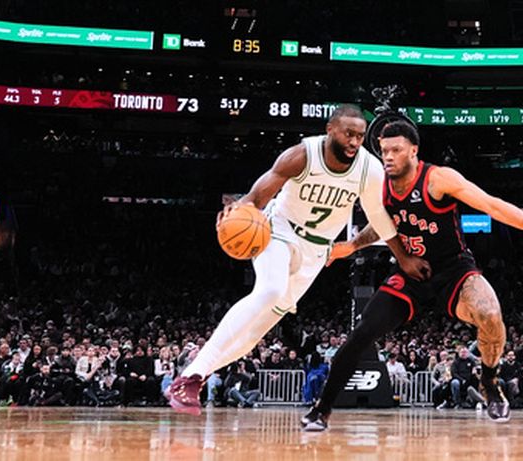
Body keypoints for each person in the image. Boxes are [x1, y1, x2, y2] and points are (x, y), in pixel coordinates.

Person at [301, 121, 523, 430]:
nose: (388, 157)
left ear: (414, 151)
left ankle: (489, 379)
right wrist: (352, 246)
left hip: (454, 269)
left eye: (396, 150)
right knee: (362, 332)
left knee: (490, 313)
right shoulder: (380, 184)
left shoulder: (438, 179)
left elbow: (492, 206)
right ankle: (321, 408)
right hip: (409, 272)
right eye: (383, 151)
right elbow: (381, 224)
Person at [166, 105, 429, 415]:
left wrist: (403, 258)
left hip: (315, 252)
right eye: (348, 134)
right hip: (278, 231)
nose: (355, 141)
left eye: (360, 136)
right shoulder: (303, 155)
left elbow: (380, 218)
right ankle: (191, 377)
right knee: (270, 290)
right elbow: (260, 192)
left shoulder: (368, 169)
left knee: (253, 335)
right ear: (331, 129)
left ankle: (196, 374)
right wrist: (243, 208)